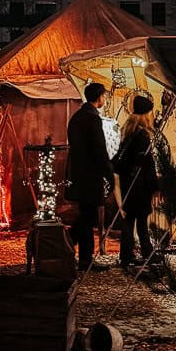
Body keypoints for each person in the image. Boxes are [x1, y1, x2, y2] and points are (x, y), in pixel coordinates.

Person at [66, 81, 113, 271]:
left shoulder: (77, 117)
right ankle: (70, 243)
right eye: (104, 96)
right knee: (89, 216)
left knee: (86, 214)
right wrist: (109, 173)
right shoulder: (92, 118)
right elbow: (99, 149)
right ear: (99, 97)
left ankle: (79, 252)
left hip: (79, 173)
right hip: (90, 175)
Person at [112, 95, 159, 272]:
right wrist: (154, 185)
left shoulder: (128, 131)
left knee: (129, 221)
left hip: (128, 183)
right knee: (141, 222)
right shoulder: (142, 135)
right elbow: (148, 163)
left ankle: (126, 256)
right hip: (140, 185)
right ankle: (147, 253)